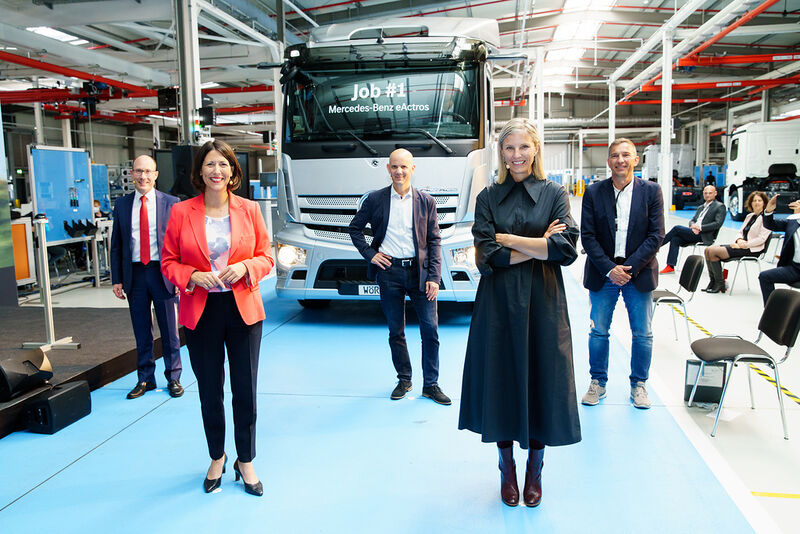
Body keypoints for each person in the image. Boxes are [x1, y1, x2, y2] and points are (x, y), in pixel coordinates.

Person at [458, 118, 581, 508]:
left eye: (523, 147)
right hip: (497, 305)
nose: (516, 156)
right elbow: (486, 256)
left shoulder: (555, 193)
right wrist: (536, 243)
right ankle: (507, 466)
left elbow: (564, 250)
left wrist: (509, 238)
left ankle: (535, 468)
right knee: (502, 381)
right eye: (509, 148)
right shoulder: (487, 198)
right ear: (501, 153)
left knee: (542, 381)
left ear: (536, 149)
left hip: (544, 303)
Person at [161, 140, 274, 496]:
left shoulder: (250, 210)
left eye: (223, 165)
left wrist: (244, 266)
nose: (217, 171)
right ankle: (217, 457)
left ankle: (246, 460)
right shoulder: (181, 212)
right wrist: (192, 276)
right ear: (199, 171)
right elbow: (168, 263)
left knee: (245, 391)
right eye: (210, 164)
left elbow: (266, 257)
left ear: (232, 171)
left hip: (243, 311)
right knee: (210, 390)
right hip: (201, 311)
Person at [348, 148, 450, 405]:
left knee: (430, 329)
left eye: (404, 166)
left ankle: (431, 384)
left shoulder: (426, 202)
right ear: (388, 169)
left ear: (412, 169)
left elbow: (434, 241)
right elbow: (355, 228)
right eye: (394, 166)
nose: (399, 171)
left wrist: (434, 277)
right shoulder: (375, 199)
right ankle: (404, 379)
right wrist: (370, 254)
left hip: (420, 273)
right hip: (389, 272)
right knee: (396, 330)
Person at [580, 138, 664, 410]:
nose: (620, 160)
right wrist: (609, 269)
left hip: (637, 273)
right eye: (615, 155)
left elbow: (656, 236)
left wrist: (628, 268)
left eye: (626, 155)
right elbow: (588, 236)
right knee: (598, 332)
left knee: (642, 333)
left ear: (636, 159)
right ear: (608, 161)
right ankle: (598, 383)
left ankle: (638, 385)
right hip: (603, 272)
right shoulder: (594, 192)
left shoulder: (652, 191)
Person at [110, 154, 183, 400]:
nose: (143, 176)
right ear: (131, 174)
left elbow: (180, 243)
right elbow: (117, 245)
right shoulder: (121, 205)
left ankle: (173, 377)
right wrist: (117, 279)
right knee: (142, 330)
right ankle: (145, 378)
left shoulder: (171, 203)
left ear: (156, 175)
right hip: (135, 275)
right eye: (138, 171)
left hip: (163, 273)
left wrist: (180, 277)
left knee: (170, 330)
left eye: (148, 171)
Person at [703, 191, 771, 294]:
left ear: (764, 203)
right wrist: (739, 240)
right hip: (741, 245)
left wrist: (744, 244)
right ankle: (713, 282)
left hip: (752, 249)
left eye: (759, 200)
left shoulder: (767, 219)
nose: (756, 203)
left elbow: (761, 239)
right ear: (751, 203)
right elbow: (740, 232)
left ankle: (720, 284)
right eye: (754, 200)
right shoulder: (750, 216)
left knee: (713, 252)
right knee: (707, 250)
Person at [659, 185, 726, 273]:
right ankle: (670, 266)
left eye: (710, 193)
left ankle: (656, 246)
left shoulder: (720, 206)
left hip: (705, 235)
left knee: (676, 229)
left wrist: (700, 228)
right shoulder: (701, 207)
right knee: (675, 239)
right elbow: (693, 220)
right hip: (694, 232)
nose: (707, 195)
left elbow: (717, 224)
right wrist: (693, 226)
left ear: (715, 193)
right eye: (705, 193)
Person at [759, 196, 800, 304]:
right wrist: (769, 210)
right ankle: (771, 312)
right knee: (764, 277)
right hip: (795, 269)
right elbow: (770, 224)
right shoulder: (792, 222)